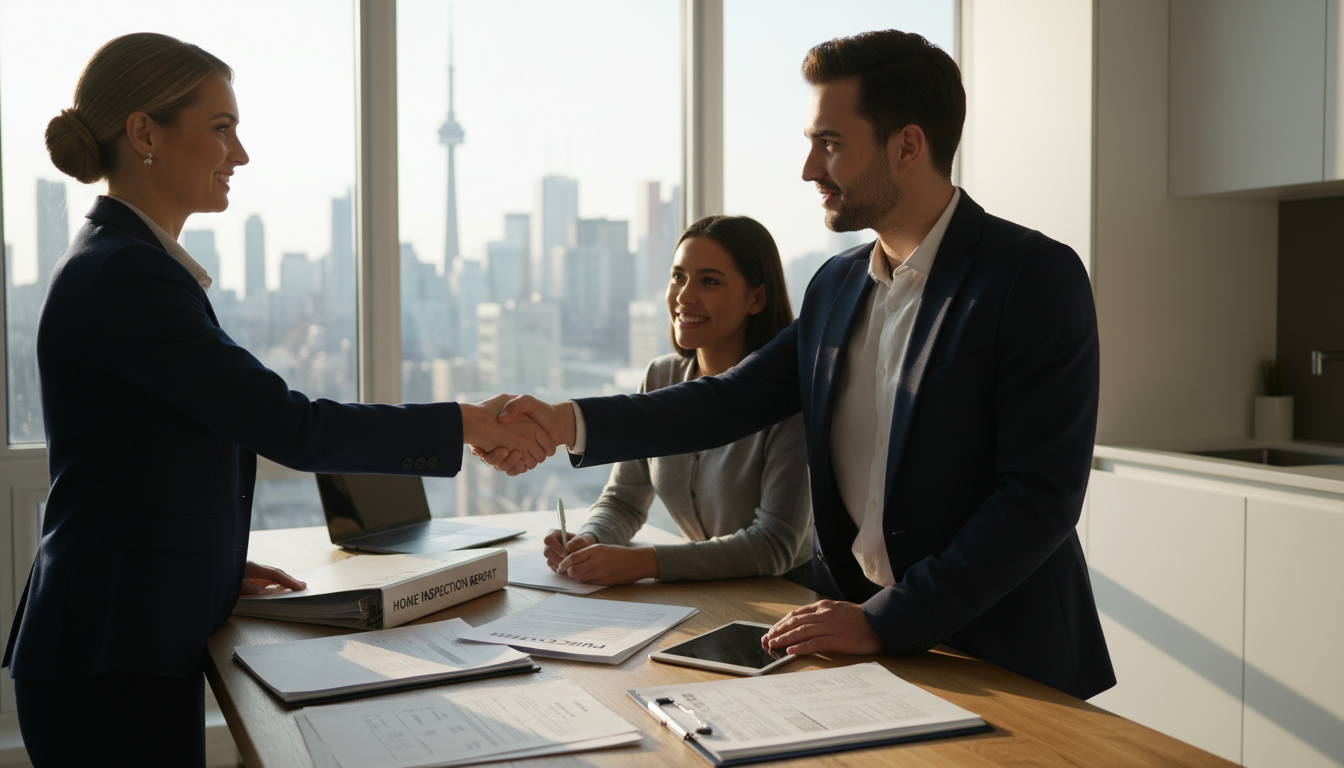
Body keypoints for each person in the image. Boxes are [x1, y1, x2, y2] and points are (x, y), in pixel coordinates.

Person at [487, 29, 1116, 701]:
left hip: (1000, 653)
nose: (810, 169)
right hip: (850, 639)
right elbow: (725, 401)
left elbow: (1037, 499)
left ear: (908, 145)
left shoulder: (1031, 278)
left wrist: (887, 621)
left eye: (831, 144)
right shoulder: (835, 286)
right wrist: (565, 421)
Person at [2, 33, 552, 767]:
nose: (241, 154)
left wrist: (217, 564)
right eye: (222, 128)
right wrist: (465, 423)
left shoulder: (125, 263)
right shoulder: (126, 276)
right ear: (143, 134)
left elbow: (143, 462)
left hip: (123, 637)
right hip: (108, 655)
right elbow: (287, 425)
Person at [541, 215, 812, 587]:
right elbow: (623, 500)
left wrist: (643, 563)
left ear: (757, 298)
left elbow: (774, 545)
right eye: (678, 276)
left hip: (789, 597)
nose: (684, 296)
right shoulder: (660, 377)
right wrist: (590, 538)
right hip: (708, 592)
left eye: (710, 281)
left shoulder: (787, 397)